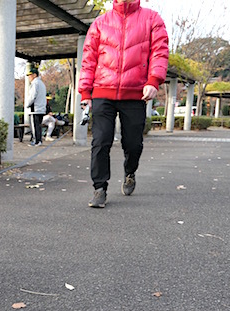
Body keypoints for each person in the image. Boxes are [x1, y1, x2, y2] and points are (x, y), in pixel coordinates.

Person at [78, 0, 168, 208]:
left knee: (133, 143)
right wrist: (85, 92)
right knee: (100, 141)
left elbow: (160, 52)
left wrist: (154, 80)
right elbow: (88, 59)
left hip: (136, 92)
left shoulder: (152, 19)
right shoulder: (100, 23)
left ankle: (130, 172)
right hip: (102, 91)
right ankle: (99, 188)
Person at [25, 64, 47, 146]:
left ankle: (36, 141)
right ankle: (39, 140)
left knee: (34, 126)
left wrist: (27, 104)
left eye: (30, 75)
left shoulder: (35, 84)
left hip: (35, 109)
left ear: (34, 75)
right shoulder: (41, 84)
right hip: (41, 108)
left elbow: (32, 96)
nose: (29, 77)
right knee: (39, 126)